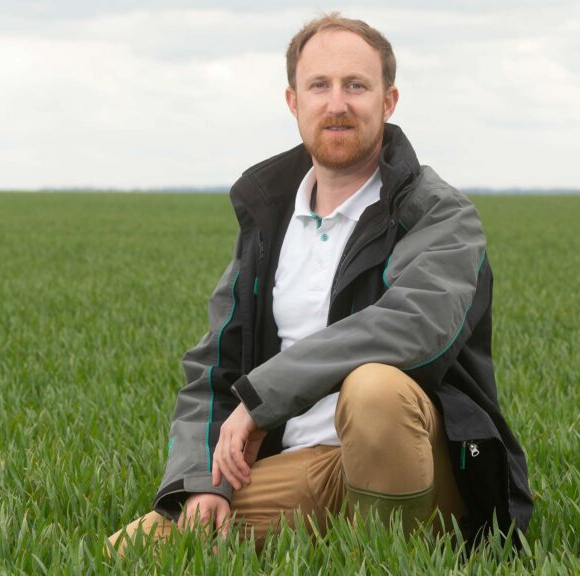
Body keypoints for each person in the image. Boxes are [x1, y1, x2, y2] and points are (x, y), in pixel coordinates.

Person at [108, 12, 532, 555]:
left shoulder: (438, 214)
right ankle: (336, 541)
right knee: (133, 553)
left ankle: (390, 559)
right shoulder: (269, 223)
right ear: (294, 102)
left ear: (389, 100)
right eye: (319, 86)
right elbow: (214, 368)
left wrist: (264, 399)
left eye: (356, 85)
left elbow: (414, 327)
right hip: (303, 467)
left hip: (425, 471)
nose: (337, 104)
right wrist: (201, 480)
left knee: (375, 389)